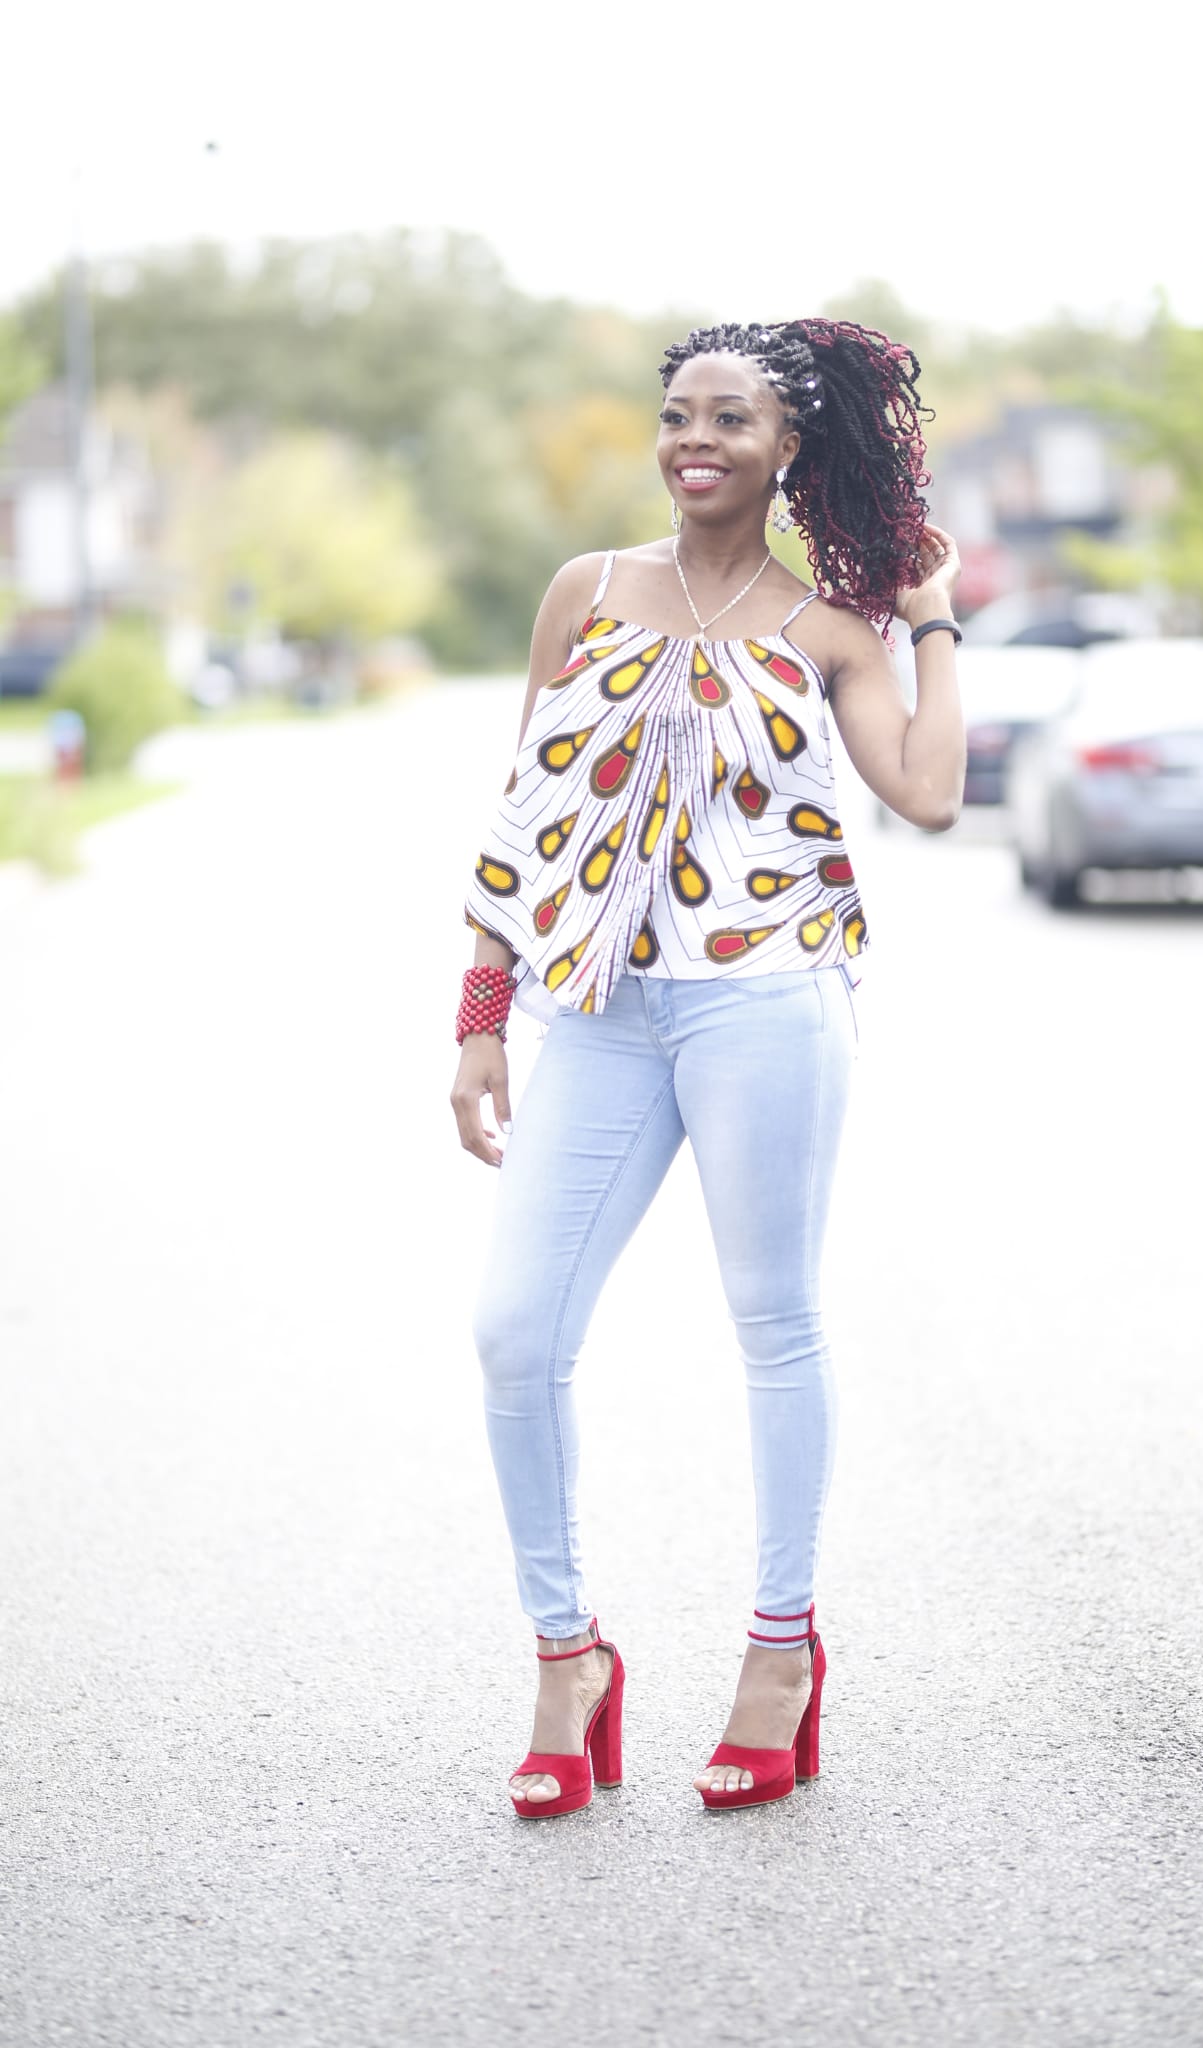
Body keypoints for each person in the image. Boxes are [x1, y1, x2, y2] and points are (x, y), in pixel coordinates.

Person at [451, 318, 964, 1815]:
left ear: (786, 448)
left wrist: (930, 618)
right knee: (513, 1332)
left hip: (763, 1003)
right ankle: (567, 1658)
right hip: (599, 1014)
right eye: (679, 412)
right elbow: (521, 813)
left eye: (730, 419)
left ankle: (780, 1654)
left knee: (773, 1325)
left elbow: (928, 795)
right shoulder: (587, 593)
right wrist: (481, 1012)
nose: (696, 439)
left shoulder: (826, 633)